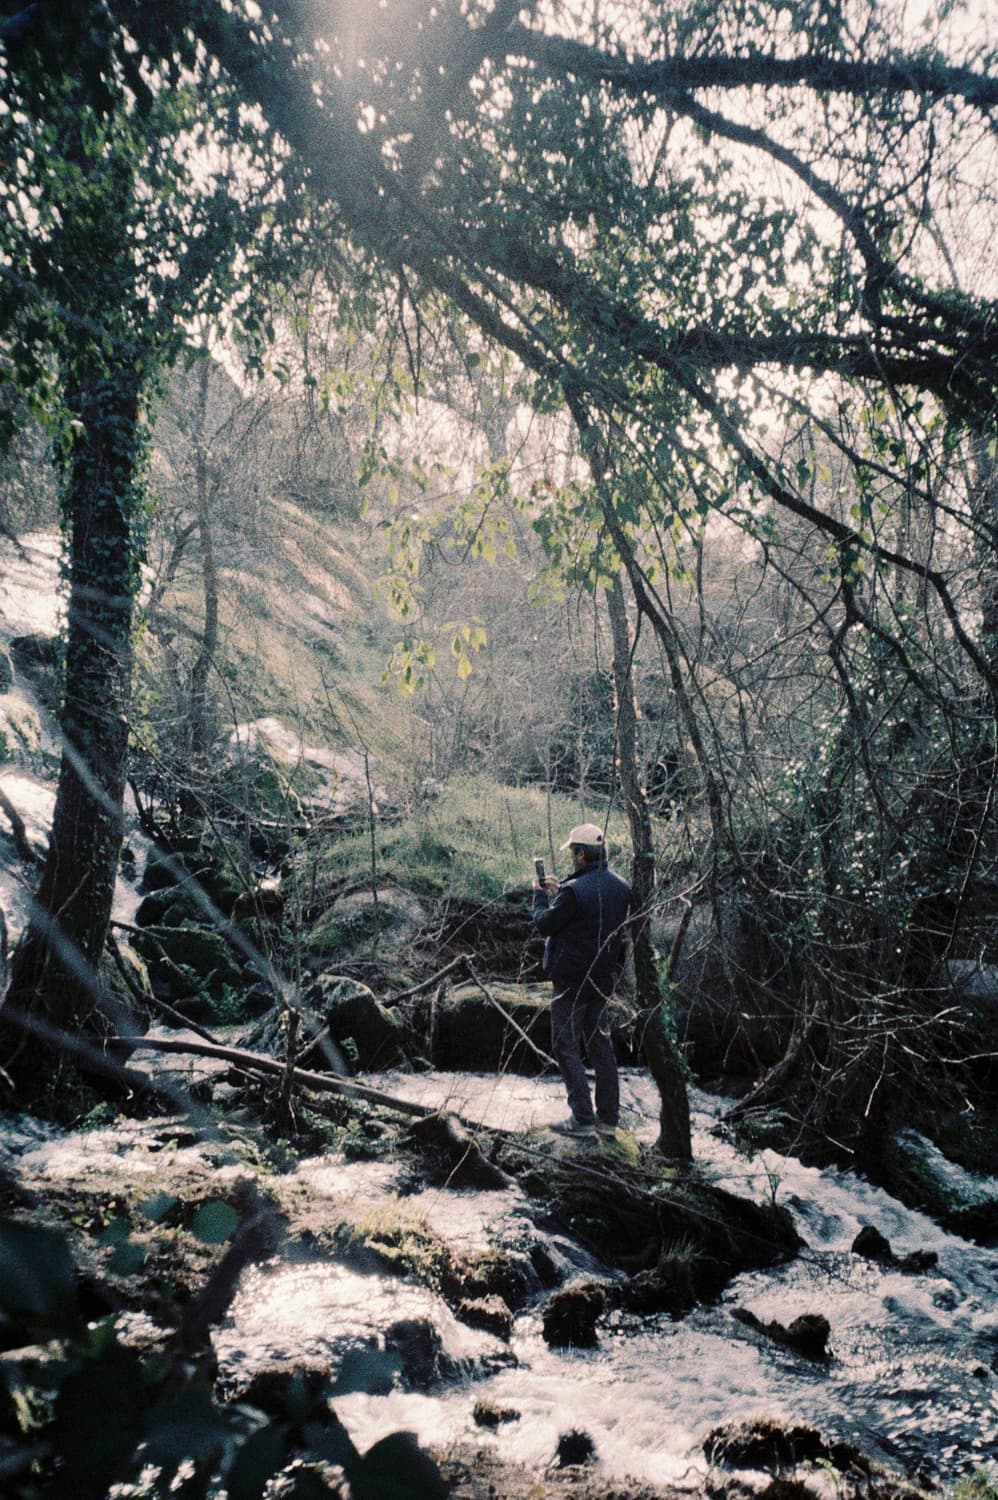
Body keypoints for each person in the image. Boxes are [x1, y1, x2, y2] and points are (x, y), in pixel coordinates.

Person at [532, 823, 631, 1139]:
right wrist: (562, 889)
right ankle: (608, 1120)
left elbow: (545, 924)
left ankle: (583, 1119)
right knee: (601, 1047)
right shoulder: (621, 887)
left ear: (581, 855)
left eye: (573, 853)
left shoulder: (573, 892)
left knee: (565, 1047)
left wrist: (539, 896)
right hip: (602, 981)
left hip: (571, 983)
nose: (572, 858)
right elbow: (591, 910)